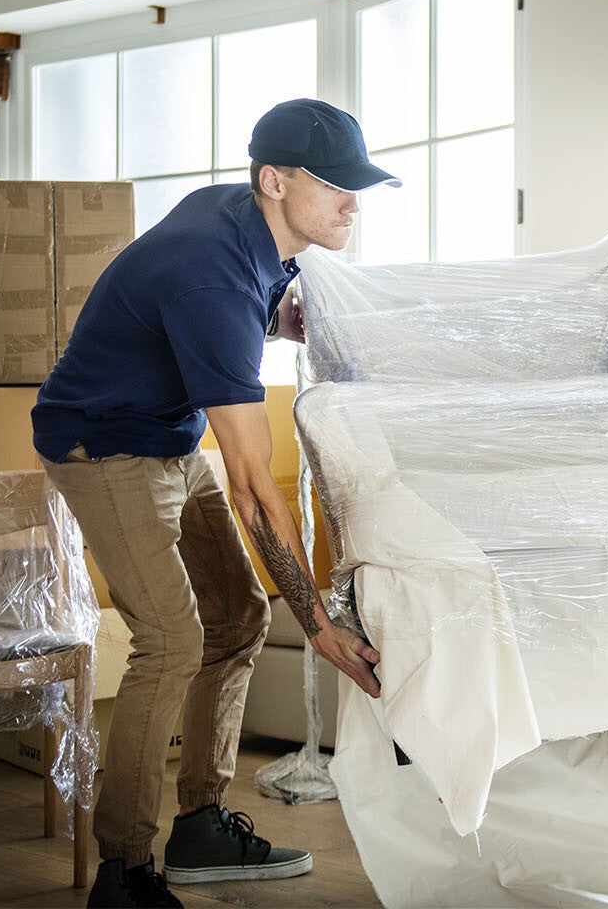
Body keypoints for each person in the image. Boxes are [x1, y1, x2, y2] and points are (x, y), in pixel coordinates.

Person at [32, 98, 396, 909]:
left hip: (167, 435)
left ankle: (199, 824)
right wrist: (321, 628)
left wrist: (284, 319)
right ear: (275, 182)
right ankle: (124, 872)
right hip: (102, 445)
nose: (354, 204)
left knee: (236, 616)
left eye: (358, 186)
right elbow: (254, 490)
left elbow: (222, 309)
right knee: (171, 639)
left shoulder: (245, 221)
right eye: (335, 185)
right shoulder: (213, 274)